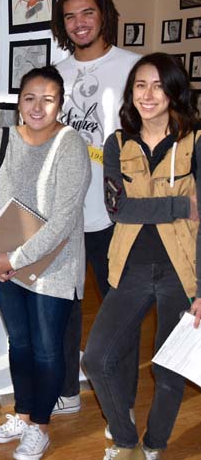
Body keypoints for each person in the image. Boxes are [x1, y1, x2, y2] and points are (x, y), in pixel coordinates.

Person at [83, 53, 201, 460]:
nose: (148, 95)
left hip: (180, 272)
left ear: (174, 91)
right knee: (98, 359)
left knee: (169, 370)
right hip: (129, 267)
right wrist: (181, 205)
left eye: (157, 85)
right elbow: (119, 209)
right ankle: (125, 438)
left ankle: (153, 446)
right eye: (139, 85)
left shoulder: (196, 142)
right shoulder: (117, 144)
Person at [0, 66, 91, 460]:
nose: (38, 107)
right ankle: (23, 416)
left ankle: (40, 426)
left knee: (46, 349)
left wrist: (15, 258)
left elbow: (63, 219)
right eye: (29, 98)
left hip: (54, 267)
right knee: (19, 343)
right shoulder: (1, 139)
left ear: (61, 102)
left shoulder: (70, 144)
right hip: (4, 266)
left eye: (48, 98)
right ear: (18, 101)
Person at [50, 0, 141, 418]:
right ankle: (66, 389)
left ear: (104, 14)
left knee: (119, 311)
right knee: (64, 307)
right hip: (65, 210)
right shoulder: (57, 73)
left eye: (88, 12)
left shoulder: (132, 68)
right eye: (70, 17)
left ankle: (119, 407)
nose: (80, 23)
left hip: (116, 213)